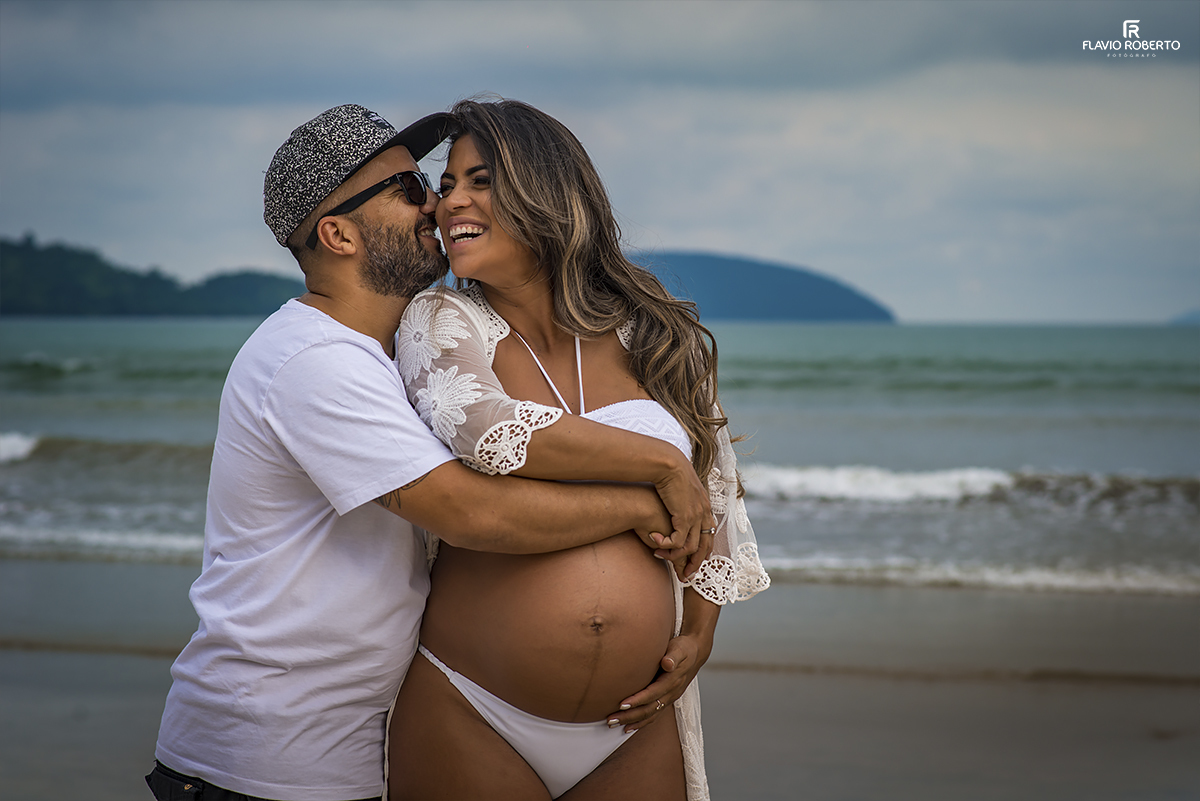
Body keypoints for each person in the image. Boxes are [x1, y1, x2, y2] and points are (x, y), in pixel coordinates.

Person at [146, 104, 713, 801]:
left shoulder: (381, 359)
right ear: (337, 233)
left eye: (432, 185)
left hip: (335, 745)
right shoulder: (314, 360)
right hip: (264, 759)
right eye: (411, 189)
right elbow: (468, 512)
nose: (436, 205)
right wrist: (652, 489)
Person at [388, 98, 770, 801]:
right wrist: (657, 466)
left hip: (635, 721)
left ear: (546, 191)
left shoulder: (652, 325)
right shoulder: (440, 316)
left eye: (479, 180)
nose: (452, 203)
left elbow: (714, 481)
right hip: (473, 708)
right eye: (446, 187)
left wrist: (702, 631)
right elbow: (480, 423)